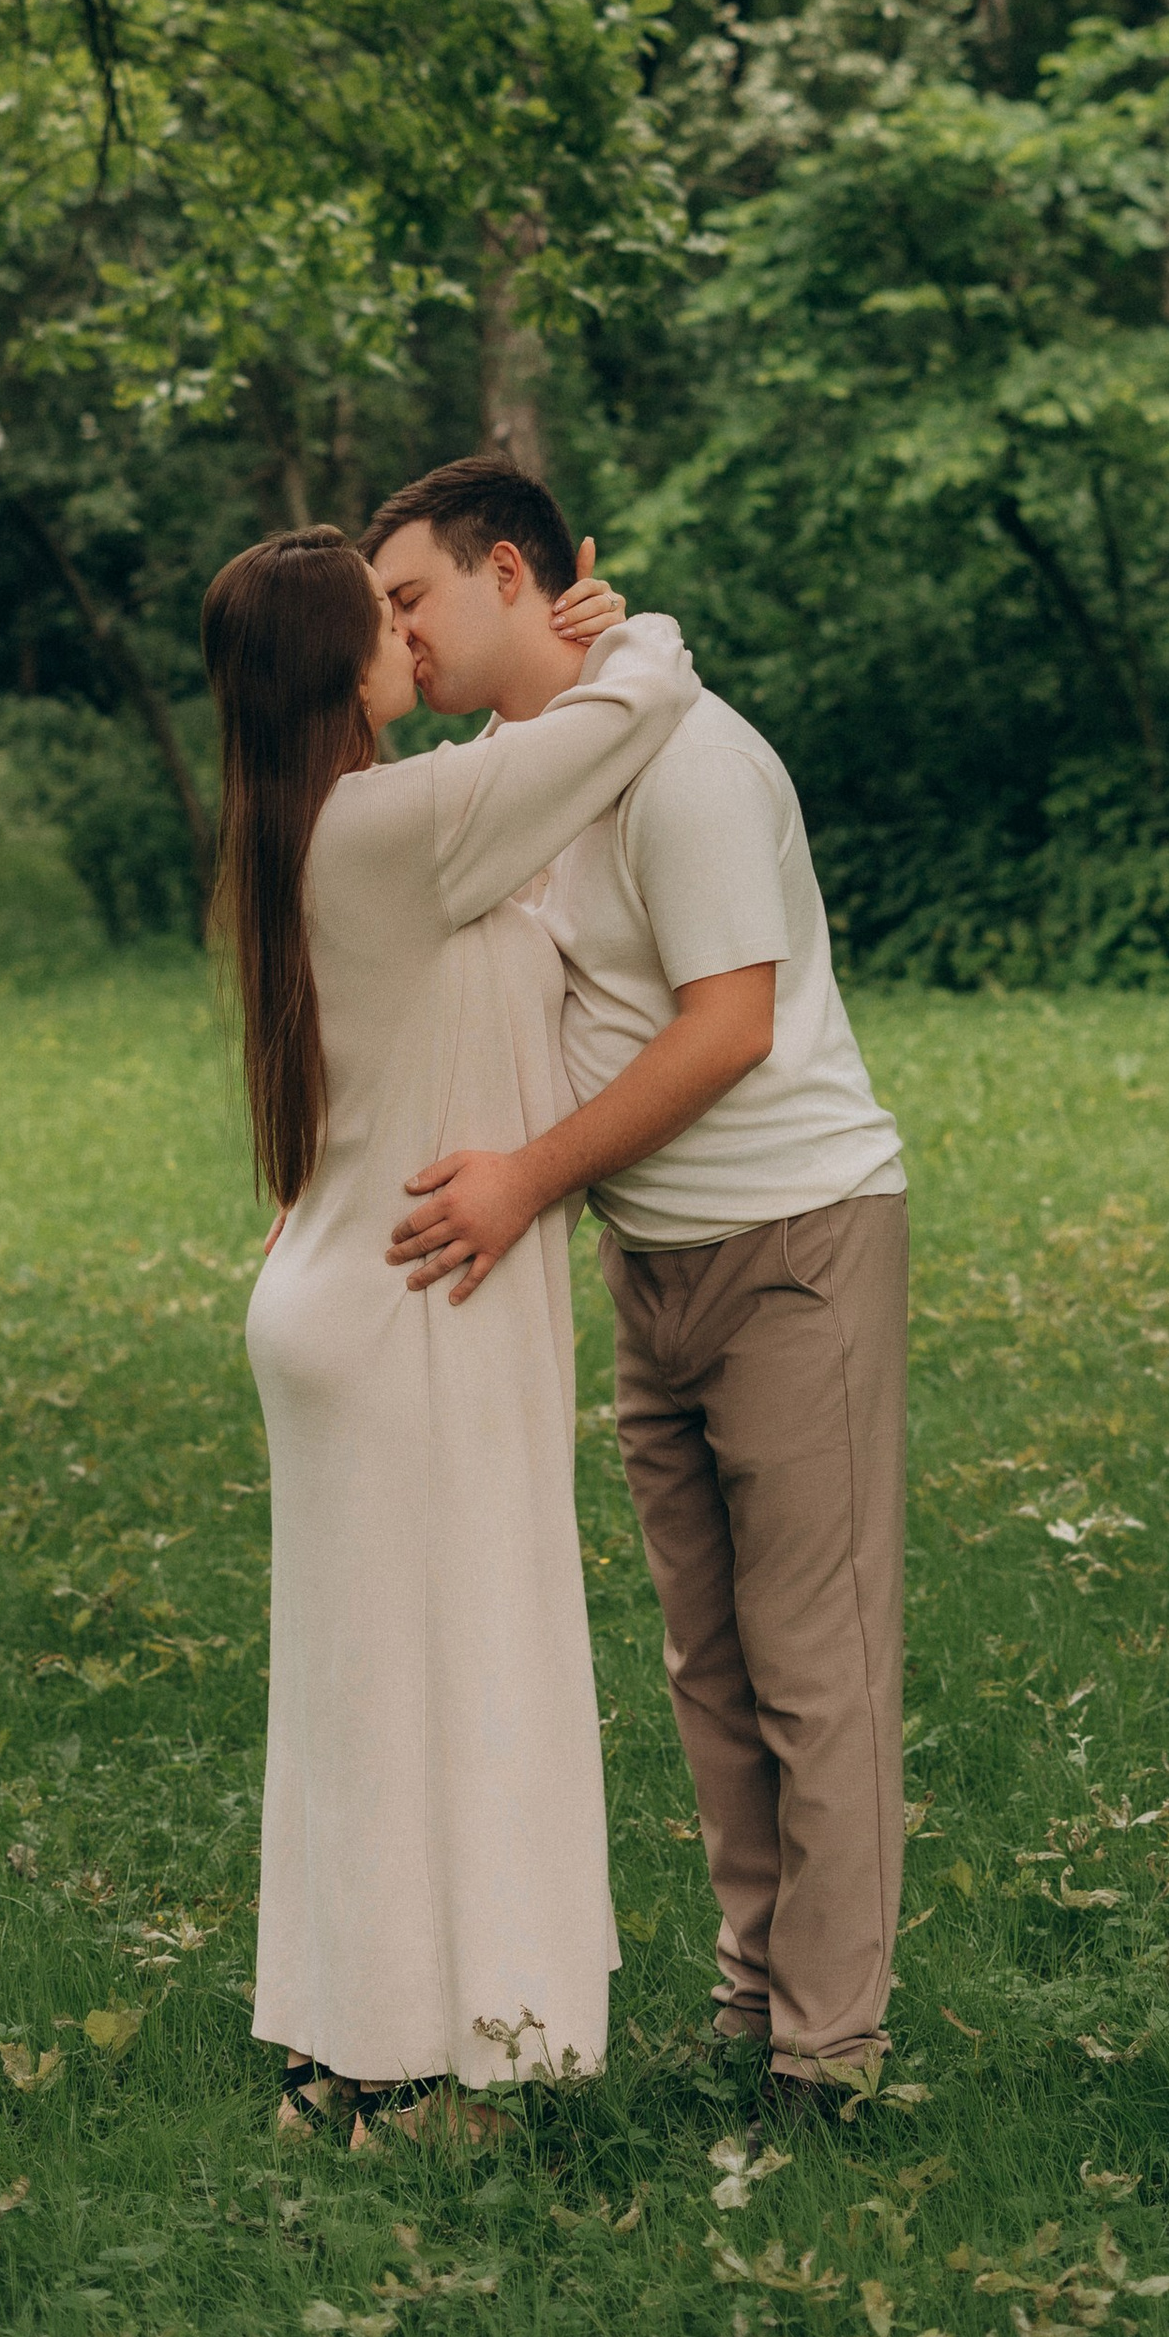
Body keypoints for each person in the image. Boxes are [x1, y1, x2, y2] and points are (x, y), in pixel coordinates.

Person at [364, 456, 909, 2104]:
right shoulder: (527, 770)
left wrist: (529, 1178)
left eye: (414, 602)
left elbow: (729, 1028)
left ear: (516, 575)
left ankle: (829, 2058)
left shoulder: (690, 764)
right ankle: (753, 2006)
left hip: (796, 1242)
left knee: (817, 1664)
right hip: (651, 1258)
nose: (400, 640)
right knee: (710, 1666)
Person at [200, 523, 698, 2108]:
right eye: (382, 621)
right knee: (453, 1672)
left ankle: (346, 2046)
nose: (409, 640)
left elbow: (520, 805)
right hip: (405, 1301)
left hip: (357, 1292)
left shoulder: (326, 824)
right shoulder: (390, 826)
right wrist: (625, 633)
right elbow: (636, 710)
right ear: (336, 666)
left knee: (369, 1692)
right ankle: (419, 2063)